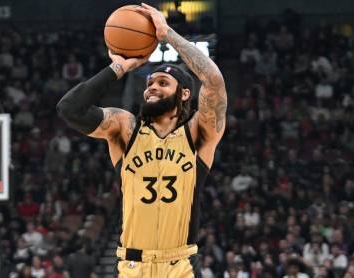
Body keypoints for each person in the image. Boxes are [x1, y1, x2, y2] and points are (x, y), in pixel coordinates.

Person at [57, 3, 227, 277]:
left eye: (162, 83)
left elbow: (213, 80)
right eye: (149, 83)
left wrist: (167, 33)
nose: (152, 88)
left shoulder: (197, 132)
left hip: (179, 265)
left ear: (184, 94)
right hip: (132, 265)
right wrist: (117, 68)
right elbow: (69, 109)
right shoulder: (125, 128)